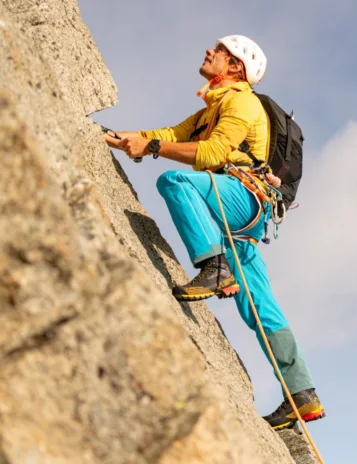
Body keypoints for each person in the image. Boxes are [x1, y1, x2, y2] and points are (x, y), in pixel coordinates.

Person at [103, 34, 324, 431]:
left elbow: (212, 154)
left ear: (236, 67)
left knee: (177, 182)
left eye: (220, 50)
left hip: (242, 199)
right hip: (241, 216)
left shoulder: (242, 101)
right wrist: (122, 139)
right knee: (259, 306)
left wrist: (150, 148)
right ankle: (301, 395)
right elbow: (173, 133)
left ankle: (213, 265)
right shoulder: (212, 108)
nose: (210, 51)